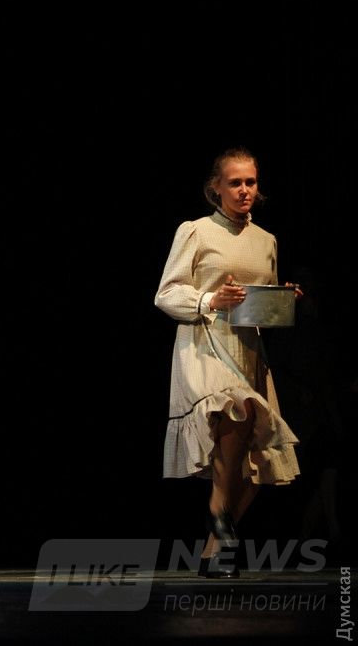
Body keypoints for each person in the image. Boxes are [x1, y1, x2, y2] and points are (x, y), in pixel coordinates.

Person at [155, 147, 300, 578]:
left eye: (250, 182)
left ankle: (215, 547)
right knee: (238, 411)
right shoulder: (196, 231)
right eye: (234, 182)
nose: (244, 190)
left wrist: (282, 300)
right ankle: (218, 511)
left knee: (256, 459)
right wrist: (210, 299)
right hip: (203, 342)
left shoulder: (266, 240)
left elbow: (259, 304)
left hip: (247, 348)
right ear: (215, 188)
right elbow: (166, 294)